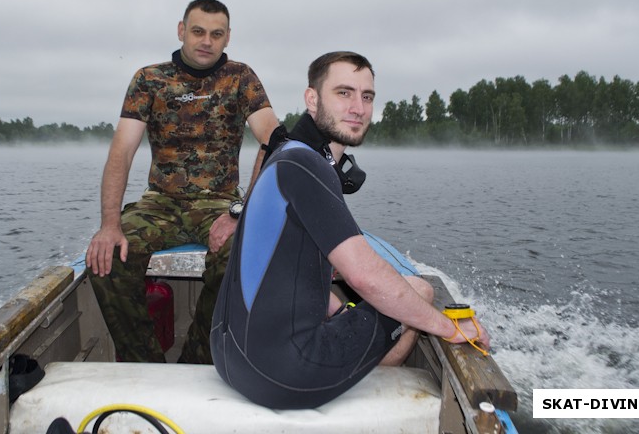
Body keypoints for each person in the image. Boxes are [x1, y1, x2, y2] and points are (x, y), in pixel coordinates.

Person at [210, 51, 490, 409]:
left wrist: (341, 311)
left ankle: (349, 364)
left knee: (346, 303)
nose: (358, 107)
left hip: (231, 360)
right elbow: (365, 278)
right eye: (344, 93)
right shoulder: (307, 164)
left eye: (367, 96)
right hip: (282, 376)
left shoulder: (284, 156)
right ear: (312, 99)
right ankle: (366, 388)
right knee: (418, 290)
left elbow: (285, 266)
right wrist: (450, 329)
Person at [86, 0, 280, 364]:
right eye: (198, 31)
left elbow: (272, 138)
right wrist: (109, 224)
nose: (206, 41)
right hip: (160, 203)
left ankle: (196, 362)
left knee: (242, 258)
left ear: (227, 38)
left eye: (216, 34)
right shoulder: (149, 79)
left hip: (220, 204)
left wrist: (242, 213)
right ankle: (145, 367)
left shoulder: (241, 77)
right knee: (107, 255)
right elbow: (122, 150)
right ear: (181, 31)